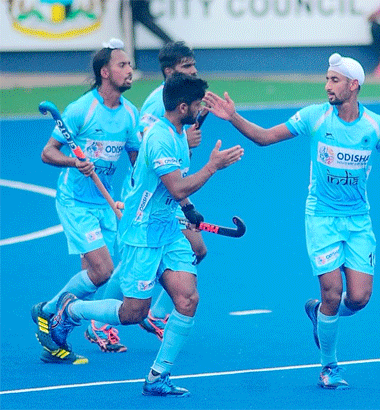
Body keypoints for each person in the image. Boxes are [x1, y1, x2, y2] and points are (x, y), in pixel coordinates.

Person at [202, 53, 380, 389]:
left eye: (334, 80)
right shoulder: (314, 117)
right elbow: (264, 137)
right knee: (334, 292)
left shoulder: (376, 126)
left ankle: (319, 313)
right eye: (326, 79)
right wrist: (233, 117)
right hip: (321, 217)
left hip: (358, 220)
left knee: (359, 298)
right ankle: (329, 366)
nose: (327, 86)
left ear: (354, 85)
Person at [38, 73, 244, 397]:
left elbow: (174, 188)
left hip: (168, 229)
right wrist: (213, 167)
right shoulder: (160, 137)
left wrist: (188, 209)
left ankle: (157, 377)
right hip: (141, 235)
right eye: (197, 104)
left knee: (188, 299)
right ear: (181, 106)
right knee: (134, 312)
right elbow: (176, 185)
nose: (200, 109)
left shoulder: (179, 133)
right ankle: (72, 309)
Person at [84, 41, 206, 352]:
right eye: (186, 67)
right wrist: (192, 152)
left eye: (193, 65)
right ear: (169, 71)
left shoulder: (182, 104)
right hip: (149, 197)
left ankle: (156, 315)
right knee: (135, 264)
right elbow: (147, 157)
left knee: (198, 250)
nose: (193, 71)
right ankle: (98, 322)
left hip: (167, 196)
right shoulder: (155, 107)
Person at [32, 38, 140, 364]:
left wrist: (127, 201)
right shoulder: (82, 109)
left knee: (90, 281)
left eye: (130, 65)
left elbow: (139, 166)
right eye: (123, 65)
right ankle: (48, 310)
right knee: (103, 270)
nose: (129, 70)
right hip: (75, 200)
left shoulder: (130, 116)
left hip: (104, 204)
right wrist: (74, 162)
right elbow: (48, 153)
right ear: (105, 72)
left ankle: (55, 339)